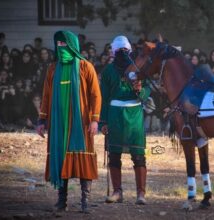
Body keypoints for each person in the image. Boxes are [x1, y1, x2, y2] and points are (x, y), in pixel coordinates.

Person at [36, 30, 101, 213]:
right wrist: (42, 119)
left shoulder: (85, 67)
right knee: (60, 157)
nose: (61, 47)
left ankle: (85, 201)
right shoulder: (53, 68)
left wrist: (95, 120)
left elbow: (95, 95)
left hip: (81, 123)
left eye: (65, 44)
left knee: (82, 156)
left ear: (73, 46)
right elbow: (46, 95)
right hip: (58, 123)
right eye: (58, 44)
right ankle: (62, 201)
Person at [100, 35, 151, 205]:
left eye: (125, 50)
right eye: (119, 50)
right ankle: (117, 192)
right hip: (114, 115)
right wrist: (103, 122)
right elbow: (104, 98)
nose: (122, 53)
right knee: (114, 155)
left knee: (138, 156)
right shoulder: (108, 71)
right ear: (114, 53)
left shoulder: (138, 68)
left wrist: (140, 91)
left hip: (134, 114)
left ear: (129, 51)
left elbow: (147, 90)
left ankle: (141, 194)